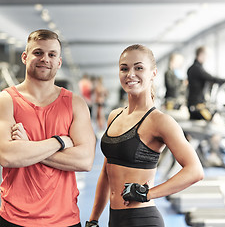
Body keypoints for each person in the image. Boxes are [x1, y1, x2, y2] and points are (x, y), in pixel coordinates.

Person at [85, 44, 204, 227]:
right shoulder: (114, 116)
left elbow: (195, 170)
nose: (130, 74)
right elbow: (106, 173)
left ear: (153, 73)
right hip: (114, 220)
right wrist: (93, 219)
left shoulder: (160, 121)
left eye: (138, 68)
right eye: (124, 68)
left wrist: (147, 193)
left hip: (143, 219)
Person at [0, 29, 96, 227]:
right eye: (38, 53)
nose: (45, 58)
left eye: (52, 54)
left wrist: (28, 147)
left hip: (65, 220)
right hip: (15, 219)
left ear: (59, 62)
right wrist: (59, 142)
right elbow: (8, 156)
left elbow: (85, 160)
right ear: (25, 56)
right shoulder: (4, 101)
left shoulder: (75, 104)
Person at [187, 46, 225, 121]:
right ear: (201, 54)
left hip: (197, 103)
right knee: (213, 120)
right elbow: (213, 79)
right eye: (207, 56)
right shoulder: (196, 69)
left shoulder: (195, 68)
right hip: (197, 105)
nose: (207, 58)